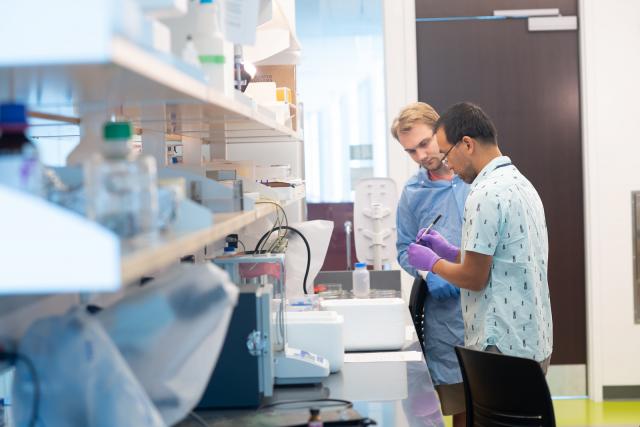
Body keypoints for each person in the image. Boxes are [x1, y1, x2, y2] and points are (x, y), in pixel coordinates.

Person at [408, 101, 553, 372]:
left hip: (500, 343)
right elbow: (502, 258)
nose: (447, 165)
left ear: (467, 144)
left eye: (446, 154)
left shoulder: (484, 193)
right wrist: (449, 251)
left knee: (496, 416)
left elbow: (474, 278)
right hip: (532, 339)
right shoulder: (520, 183)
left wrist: (431, 263)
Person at [392, 102, 469, 426]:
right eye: (411, 151)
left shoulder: (475, 178)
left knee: (495, 399)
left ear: (439, 132)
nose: (422, 155)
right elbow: (404, 248)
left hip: (490, 304)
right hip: (446, 315)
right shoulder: (413, 193)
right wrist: (430, 272)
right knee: (459, 403)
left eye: (424, 143)